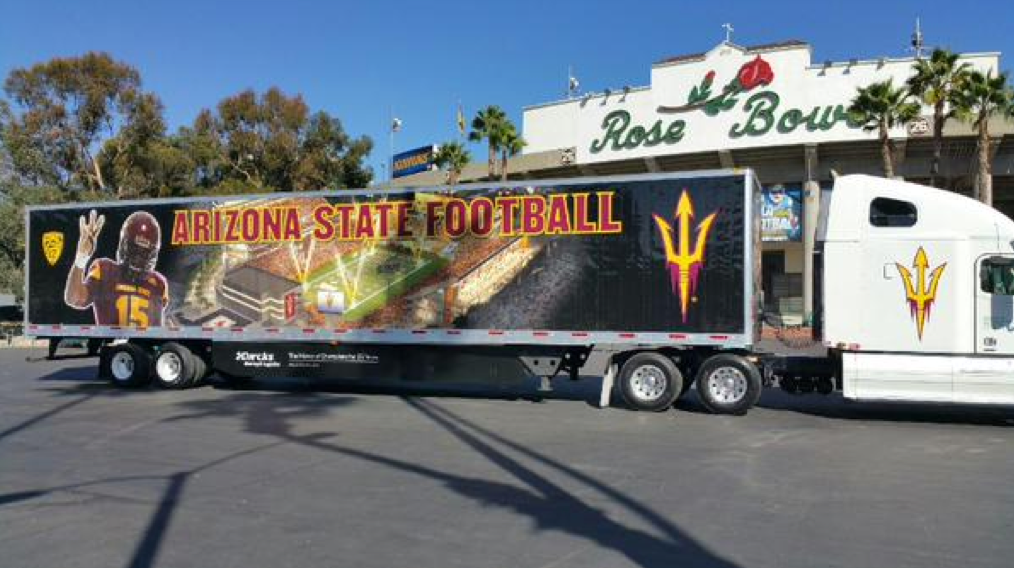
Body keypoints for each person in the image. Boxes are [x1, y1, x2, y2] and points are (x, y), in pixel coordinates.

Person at [64, 210, 169, 327]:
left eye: (145, 253)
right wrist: (81, 258)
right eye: (134, 250)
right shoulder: (105, 270)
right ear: (124, 244)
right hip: (112, 343)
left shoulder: (159, 283)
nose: (138, 259)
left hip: (144, 345)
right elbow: (74, 299)